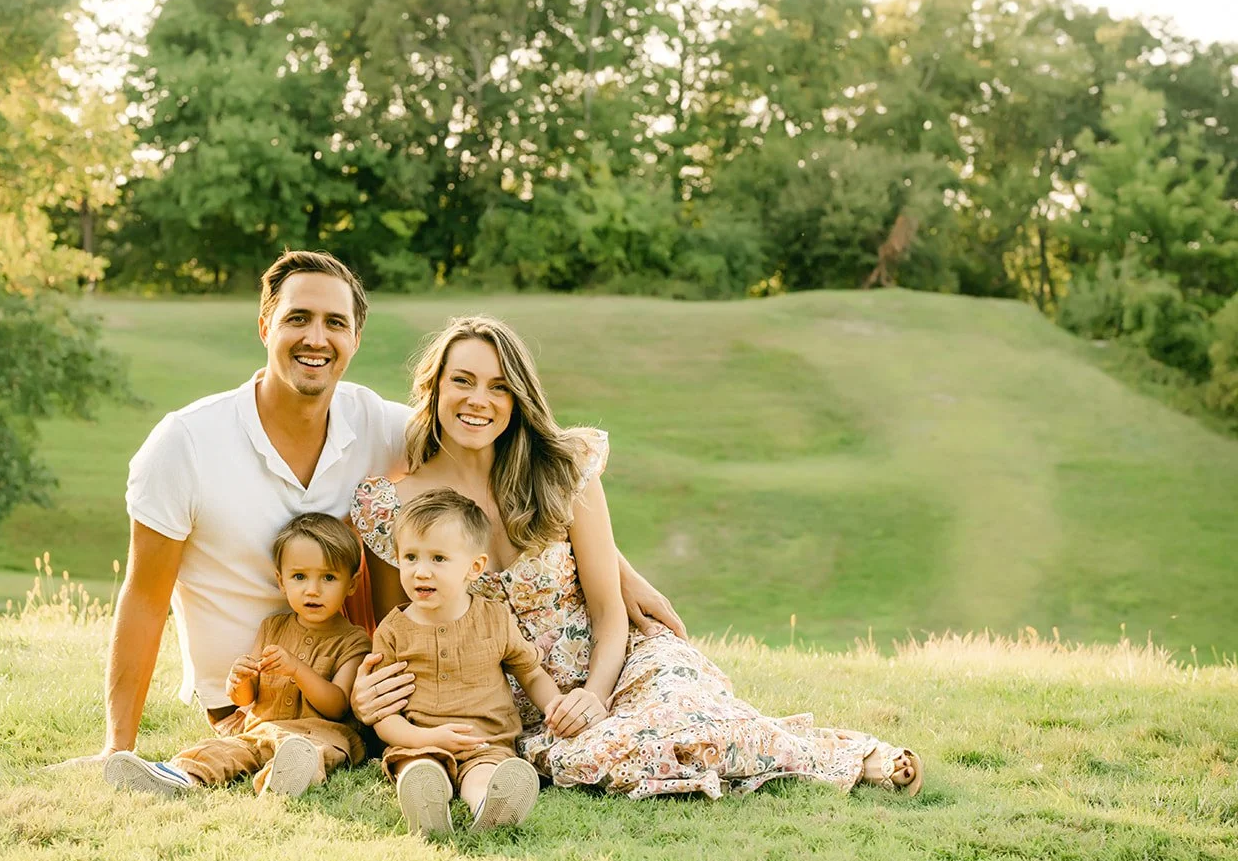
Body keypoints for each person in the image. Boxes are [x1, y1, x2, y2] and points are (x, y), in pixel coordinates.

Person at [52, 250, 682, 769]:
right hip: (254, 691)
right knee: (292, 741)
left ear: (355, 338)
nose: (316, 338)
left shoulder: (378, 424)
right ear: (265, 326)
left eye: (335, 323)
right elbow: (142, 597)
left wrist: (615, 569)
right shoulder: (185, 444)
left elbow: (489, 449)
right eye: (299, 318)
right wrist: (118, 747)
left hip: (354, 677)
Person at [350, 315, 924, 800]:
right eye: (463, 381)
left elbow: (607, 609)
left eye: (499, 386)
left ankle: (859, 758)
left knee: (691, 712)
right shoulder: (394, 508)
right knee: (606, 753)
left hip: (617, 667)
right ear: (435, 387)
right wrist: (381, 704)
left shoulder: (561, 474)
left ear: (518, 399)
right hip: (519, 704)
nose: (479, 400)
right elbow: (403, 629)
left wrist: (597, 694)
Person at [102, 513, 372, 797]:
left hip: (320, 736)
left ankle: (282, 779)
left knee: (315, 753)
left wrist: (297, 669)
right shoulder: (272, 628)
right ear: (281, 582)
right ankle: (178, 776)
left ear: (351, 584)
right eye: (299, 577)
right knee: (223, 750)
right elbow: (246, 699)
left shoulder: (354, 641)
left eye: (328, 577)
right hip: (261, 730)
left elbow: (338, 706)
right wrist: (239, 680)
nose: (312, 590)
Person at [371, 489, 580, 834]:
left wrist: (555, 707)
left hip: (486, 741)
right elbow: (384, 717)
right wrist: (426, 738)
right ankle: (427, 805)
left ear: (475, 567)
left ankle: (488, 805)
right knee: (420, 769)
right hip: (419, 740)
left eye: (438, 559)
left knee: (485, 774)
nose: (421, 571)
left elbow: (530, 672)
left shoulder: (494, 619)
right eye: (410, 557)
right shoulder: (393, 631)